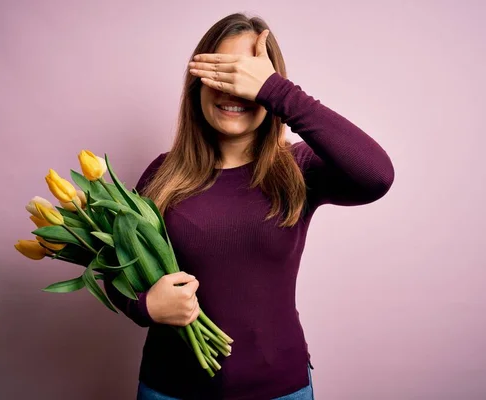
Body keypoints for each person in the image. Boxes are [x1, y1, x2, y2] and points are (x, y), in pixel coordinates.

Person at [104, 12, 395, 400]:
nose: (233, 91)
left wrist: (278, 92)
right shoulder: (162, 173)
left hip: (280, 389)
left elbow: (377, 176)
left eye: (247, 78)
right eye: (221, 75)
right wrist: (145, 308)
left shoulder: (297, 168)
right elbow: (116, 268)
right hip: (169, 389)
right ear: (197, 84)